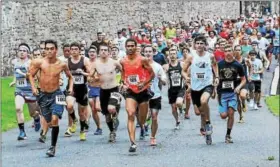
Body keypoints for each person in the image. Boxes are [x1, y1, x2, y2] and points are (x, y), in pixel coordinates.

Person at [29, 39, 73, 157]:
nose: (48, 51)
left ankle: (52, 147)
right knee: (49, 122)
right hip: (43, 95)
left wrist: (70, 88)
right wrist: (33, 88)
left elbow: (71, 77)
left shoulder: (62, 64)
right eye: (46, 49)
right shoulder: (39, 62)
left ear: (56, 50)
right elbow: (30, 75)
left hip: (57, 94)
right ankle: (49, 132)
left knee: (54, 120)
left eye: (51, 49)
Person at [120, 38, 155, 152]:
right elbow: (123, 74)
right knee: (130, 113)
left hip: (143, 91)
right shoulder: (123, 61)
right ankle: (133, 143)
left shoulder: (142, 60)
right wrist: (123, 83)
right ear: (125, 47)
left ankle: (143, 126)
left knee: (142, 119)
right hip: (130, 91)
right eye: (128, 46)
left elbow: (152, 74)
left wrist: (144, 83)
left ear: (135, 47)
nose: (130, 48)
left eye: (132, 46)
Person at [184, 35, 219, 145]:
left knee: (204, 101)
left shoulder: (210, 56)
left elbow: (215, 65)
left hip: (207, 84)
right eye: (197, 43)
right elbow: (183, 70)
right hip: (195, 87)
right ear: (195, 45)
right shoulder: (191, 57)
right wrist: (186, 77)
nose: (199, 45)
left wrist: (216, 77)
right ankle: (206, 130)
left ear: (205, 45)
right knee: (199, 112)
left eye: (201, 43)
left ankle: (208, 124)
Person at [90, 44, 123, 142]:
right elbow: (90, 76)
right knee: (107, 115)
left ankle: (115, 116)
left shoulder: (114, 63)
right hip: (103, 90)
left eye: (105, 50)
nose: (103, 52)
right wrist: (93, 79)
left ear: (109, 52)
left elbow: (124, 71)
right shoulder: (95, 64)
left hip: (114, 89)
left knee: (111, 109)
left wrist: (122, 82)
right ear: (99, 52)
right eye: (101, 50)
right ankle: (112, 132)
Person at [9, 43, 41, 140]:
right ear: (18, 52)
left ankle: (36, 119)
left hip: (30, 90)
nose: (22, 52)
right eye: (20, 50)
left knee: (33, 113)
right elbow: (15, 73)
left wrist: (24, 74)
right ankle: (22, 132)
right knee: (18, 108)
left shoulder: (31, 63)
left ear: (27, 53)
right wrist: (14, 81)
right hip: (19, 90)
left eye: (24, 51)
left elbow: (33, 76)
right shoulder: (14, 62)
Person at [217, 45, 246, 143]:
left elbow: (243, 79)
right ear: (223, 52)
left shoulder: (238, 65)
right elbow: (215, 78)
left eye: (230, 50)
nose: (228, 52)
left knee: (231, 113)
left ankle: (228, 135)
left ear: (233, 52)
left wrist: (238, 87)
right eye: (226, 50)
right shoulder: (219, 64)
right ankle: (228, 113)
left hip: (233, 93)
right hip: (222, 93)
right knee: (223, 115)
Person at [64, 42, 91, 141]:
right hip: (71, 87)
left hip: (82, 89)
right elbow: (65, 74)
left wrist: (82, 73)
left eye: (76, 49)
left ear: (79, 50)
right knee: (69, 106)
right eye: (72, 49)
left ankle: (82, 131)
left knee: (82, 113)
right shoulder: (67, 62)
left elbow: (91, 73)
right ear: (70, 51)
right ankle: (74, 120)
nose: (74, 51)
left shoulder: (85, 60)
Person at [143, 45, 167, 146]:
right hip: (142, 95)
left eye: (150, 51)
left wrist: (161, 79)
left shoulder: (158, 66)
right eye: (146, 51)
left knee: (154, 117)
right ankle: (145, 121)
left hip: (155, 95)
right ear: (143, 53)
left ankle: (153, 137)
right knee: (144, 117)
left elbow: (165, 81)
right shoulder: (140, 66)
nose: (148, 53)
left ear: (153, 53)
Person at [163, 47, 187, 130]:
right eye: (171, 54)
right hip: (171, 90)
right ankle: (177, 121)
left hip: (180, 88)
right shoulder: (166, 66)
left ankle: (181, 108)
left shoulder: (182, 64)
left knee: (179, 103)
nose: (172, 56)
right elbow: (162, 76)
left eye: (174, 54)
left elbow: (187, 73)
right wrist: (163, 79)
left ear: (177, 55)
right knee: (173, 108)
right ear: (168, 56)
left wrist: (187, 80)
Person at [87, 46, 102, 135]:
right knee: (93, 108)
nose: (92, 53)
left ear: (96, 54)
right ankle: (99, 127)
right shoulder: (86, 62)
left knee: (97, 107)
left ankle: (112, 114)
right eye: (90, 52)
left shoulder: (100, 62)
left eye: (93, 52)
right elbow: (88, 76)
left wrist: (96, 78)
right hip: (91, 88)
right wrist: (88, 77)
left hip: (100, 88)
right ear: (88, 53)